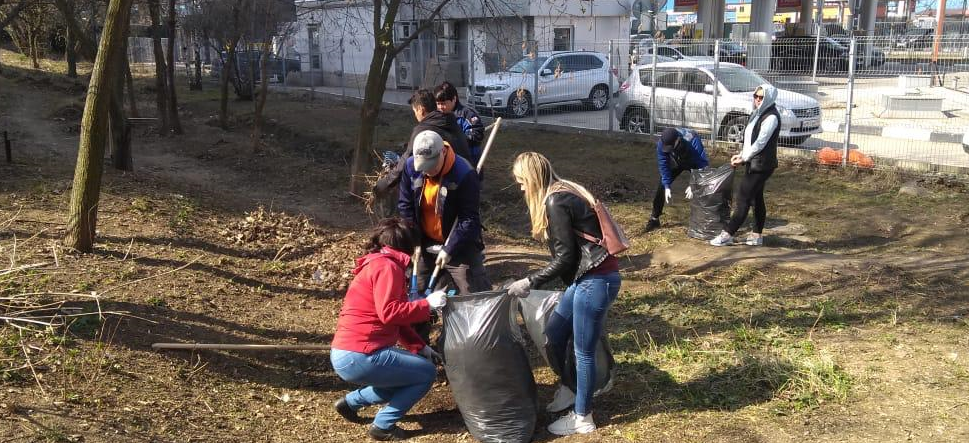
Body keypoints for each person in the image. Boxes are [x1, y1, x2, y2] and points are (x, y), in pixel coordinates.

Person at [506, 152, 621, 436]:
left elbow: (566, 259)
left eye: (522, 181)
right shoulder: (564, 189)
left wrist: (528, 281)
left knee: (583, 352)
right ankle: (571, 387)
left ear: (533, 179)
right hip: (586, 278)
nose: (521, 188)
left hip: (594, 281)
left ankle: (583, 417)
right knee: (555, 334)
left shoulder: (555, 200)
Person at [329, 217, 448, 441]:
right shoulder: (388, 268)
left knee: (404, 375)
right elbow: (390, 312)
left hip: (346, 353)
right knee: (425, 374)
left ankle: (350, 403)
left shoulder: (377, 262)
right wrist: (427, 304)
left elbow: (393, 319)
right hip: (361, 354)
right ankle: (383, 426)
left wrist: (420, 347)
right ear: (408, 246)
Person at [398, 130, 489, 296]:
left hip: (458, 242)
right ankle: (423, 319)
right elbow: (405, 206)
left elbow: (469, 219)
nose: (427, 171)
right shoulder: (411, 167)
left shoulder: (464, 174)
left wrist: (449, 248)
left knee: (472, 292)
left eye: (431, 165)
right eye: (423, 166)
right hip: (424, 240)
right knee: (416, 289)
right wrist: (414, 240)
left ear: (443, 152)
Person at [710, 84, 780, 247]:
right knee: (756, 198)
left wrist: (744, 158)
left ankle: (727, 234)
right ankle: (757, 236)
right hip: (754, 162)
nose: (757, 99)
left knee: (743, 198)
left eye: (761, 97)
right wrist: (742, 155)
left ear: (768, 98)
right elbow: (750, 140)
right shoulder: (757, 113)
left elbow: (760, 143)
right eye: (755, 96)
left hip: (761, 165)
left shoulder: (771, 117)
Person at [374, 89, 470, 195]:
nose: (416, 116)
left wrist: (383, 184)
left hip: (445, 186)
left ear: (420, 109)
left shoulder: (423, 130)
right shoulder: (450, 121)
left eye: (415, 112)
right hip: (466, 176)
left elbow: (405, 162)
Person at [644, 127, 709, 232]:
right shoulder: (662, 144)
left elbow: (703, 165)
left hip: (693, 163)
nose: (668, 149)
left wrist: (694, 183)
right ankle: (654, 219)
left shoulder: (693, 140)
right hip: (676, 162)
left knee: (703, 187)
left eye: (671, 146)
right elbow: (663, 165)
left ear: (678, 139)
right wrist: (666, 185)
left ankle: (703, 220)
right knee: (661, 186)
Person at [434, 81, 485, 168]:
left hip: (468, 163)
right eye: (438, 104)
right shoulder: (437, 115)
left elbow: (477, 135)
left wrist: (455, 140)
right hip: (446, 162)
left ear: (454, 99)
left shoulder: (467, 115)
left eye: (443, 103)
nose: (440, 107)